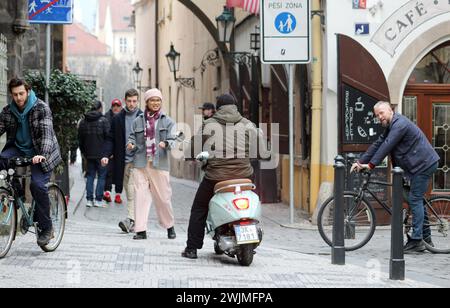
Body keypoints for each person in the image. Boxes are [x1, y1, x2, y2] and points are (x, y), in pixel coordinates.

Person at [181, 94, 267, 259]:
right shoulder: (248, 125)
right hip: (244, 176)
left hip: (216, 177)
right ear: (235, 106)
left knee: (199, 208)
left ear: (217, 108)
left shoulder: (208, 125)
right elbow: (262, 153)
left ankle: (192, 248)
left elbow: (191, 151)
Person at [351, 101, 440, 254]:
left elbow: (387, 145)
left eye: (381, 113)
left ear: (390, 110)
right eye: (377, 115)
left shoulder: (400, 124)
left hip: (423, 164)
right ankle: (427, 239)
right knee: (415, 199)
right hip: (414, 167)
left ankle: (417, 241)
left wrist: (371, 165)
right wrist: (361, 161)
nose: (379, 117)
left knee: (414, 199)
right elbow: (379, 143)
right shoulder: (391, 125)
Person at [0, 77, 62, 247]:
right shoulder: (8, 111)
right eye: (15, 95)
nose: (19, 98)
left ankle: (47, 228)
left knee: (36, 185)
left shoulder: (40, 108)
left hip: (41, 151)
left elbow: (46, 134)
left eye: (21, 93)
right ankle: (15, 190)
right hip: (19, 149)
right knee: (2, 160)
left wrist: (42, 154)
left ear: (27, 91)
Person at [127, 88, 177, 240]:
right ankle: (140, 230)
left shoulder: (167, 121)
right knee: (140, 196)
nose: (155, 103)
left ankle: (170, 226)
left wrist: (166, 143)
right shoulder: (137, 121)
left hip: (159, 163)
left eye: (158, 100)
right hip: (140, 163)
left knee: (163, 197)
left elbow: (174, 140)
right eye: (152, 100)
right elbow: (131, 138)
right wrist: (131, 144)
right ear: (147, 102)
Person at [102, 89, 142, 233]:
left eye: (134, 101)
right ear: (125, 100)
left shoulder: (143, 117)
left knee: (131, 190)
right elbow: (110, 139)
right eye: (129, 101)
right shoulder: (118, 118)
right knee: (128, 189)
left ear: (137, 101)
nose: (132, 104)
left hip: (139, 161)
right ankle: (136, 221)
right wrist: (106, 154)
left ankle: (130, 219)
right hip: (123, 161)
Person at [78, 100, 110, 208]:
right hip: (101, 154)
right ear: (100, 108)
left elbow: (80, 139)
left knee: (90, 176)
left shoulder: (83, 121)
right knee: (101, 176)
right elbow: (108, 138)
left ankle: (89, 199)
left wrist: (83, 152)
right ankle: (98, 199)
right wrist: (107, 153)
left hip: (89, 154)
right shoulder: (104, 121)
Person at [103, 98, 123, 203]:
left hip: (120, 149)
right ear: (112, 107)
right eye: (114, 106)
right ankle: (107, 192)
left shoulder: (123, 117)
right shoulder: (106, 117)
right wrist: (108, 152)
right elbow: (106, 136)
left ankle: (118, 194)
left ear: (120, 107)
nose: (116, 108)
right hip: (110, 149)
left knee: (120, 172)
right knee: (109, 172)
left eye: (118, 106)